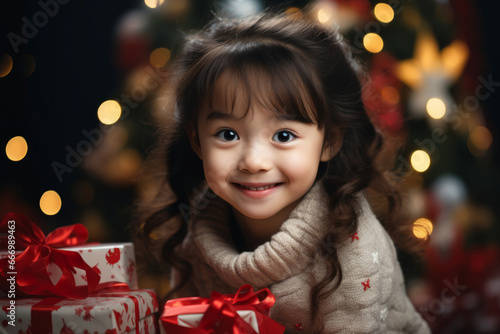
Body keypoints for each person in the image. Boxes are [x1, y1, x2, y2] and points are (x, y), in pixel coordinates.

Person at [134, 9, 430, 333]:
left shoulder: (350, 248)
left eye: (284, 136)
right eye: (227, 134)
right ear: (196, 140)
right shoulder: (198, 239)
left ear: (329, 141)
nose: (254, 161)